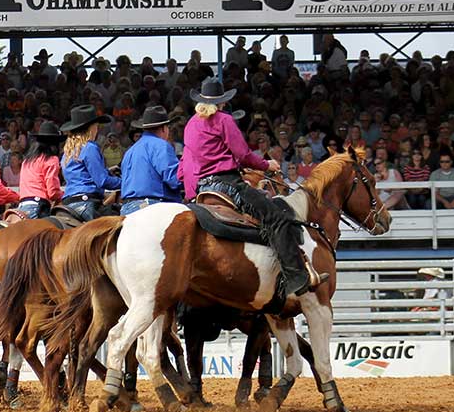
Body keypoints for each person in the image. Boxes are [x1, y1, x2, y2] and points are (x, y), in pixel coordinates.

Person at [179, 78, 324, 296]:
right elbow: (242, 154)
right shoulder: (223, 120)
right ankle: (296, 278)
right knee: (277, 216)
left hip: (202, 187)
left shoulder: (191, 123)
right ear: (222, 102)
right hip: (225, 183)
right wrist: (267, 165)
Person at [120, 106, 182, 215]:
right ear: (164, 128)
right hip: (153, 206)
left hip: (126, 208)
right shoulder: (161, 145)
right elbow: (174, 180)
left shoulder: (130, 151)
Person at [60, 105, 118, 221]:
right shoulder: (90, 147)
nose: (97, 129)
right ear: (91, 128)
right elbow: (102, 181)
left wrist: (106, 171)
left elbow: (81, 173)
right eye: (96, 126)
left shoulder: (67, 151)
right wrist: (125, 181)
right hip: (87, 203)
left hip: (68, 204)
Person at [17, 122, 65, 219]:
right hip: (39, 206)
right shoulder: (51, 159)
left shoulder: (27, 160)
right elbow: (53, 192)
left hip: (22, 205)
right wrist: (64, 195)